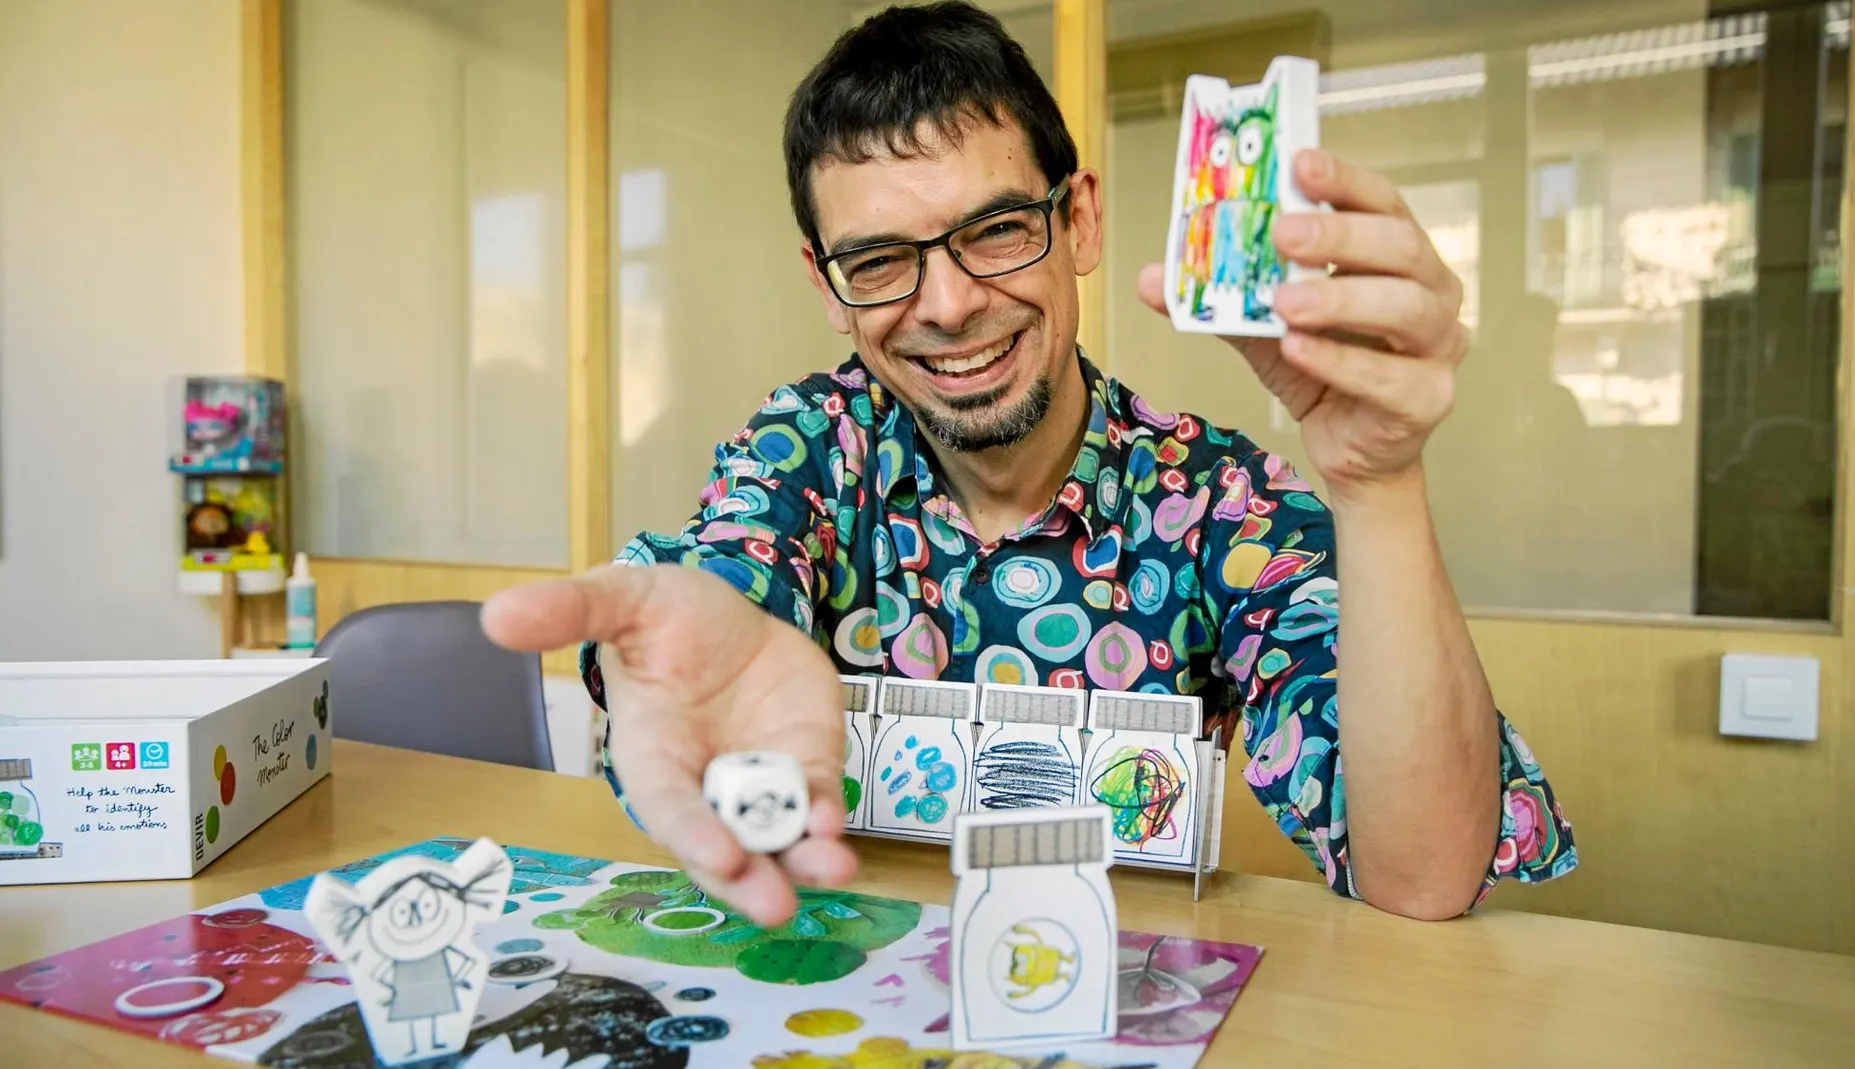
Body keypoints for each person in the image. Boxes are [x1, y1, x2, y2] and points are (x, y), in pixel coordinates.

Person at [482, 1, 1576, 926]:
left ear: (1078, 219)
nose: (950, 304)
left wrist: (1377, 487)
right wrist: (675, 672)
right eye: (879, 260)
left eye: (997, 228)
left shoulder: (1213, 504)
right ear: (826, 285)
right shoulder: (805, 451)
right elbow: (729, 587)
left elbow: (1422, 880)